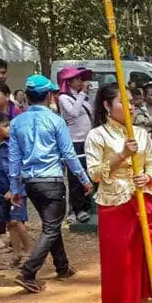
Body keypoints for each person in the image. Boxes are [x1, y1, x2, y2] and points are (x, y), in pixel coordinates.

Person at [85, 84, 152, 303]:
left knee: (145, 256)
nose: (130, 106)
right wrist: (121, 155)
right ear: (107, 106)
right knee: (117, 260)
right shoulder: (97, 135)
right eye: (123, 102)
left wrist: (148, 177)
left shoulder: (142, 133)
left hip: (142, 200)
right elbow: (94, 173)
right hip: (113, 204)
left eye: (131, 101)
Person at [8, 75, 93, 294]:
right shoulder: (56, 121)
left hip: (30, 183)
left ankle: (62, 267)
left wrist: (15, 188)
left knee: (50, 224)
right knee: (51, 227)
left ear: (27, 97)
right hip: (52, 180)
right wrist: (84, 179)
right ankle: (28, 273)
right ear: (49, 96)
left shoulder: (17, 122)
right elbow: (68, 154)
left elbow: (14, 159)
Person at [0, 112, 32, 265]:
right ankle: (16, 255)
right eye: (5, 126)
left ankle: (29, 253)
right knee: (10, 223)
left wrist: (13, 189)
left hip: (16, 190)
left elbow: (20, 169)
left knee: (18, 221)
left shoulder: (14, 145)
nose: (9, 128)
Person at [56, 68, 96, 223]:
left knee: (88, 174)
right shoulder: (63, 98)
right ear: (69, 81)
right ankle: (77, 209)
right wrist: (82, 94)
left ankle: (86, 206)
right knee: (75, 177)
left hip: (87, 140)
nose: (80, 81)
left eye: (81, 79)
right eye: (77, 79)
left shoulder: (83, 97)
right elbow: (73, 112)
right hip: (74, 141)